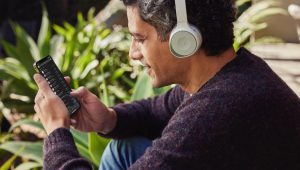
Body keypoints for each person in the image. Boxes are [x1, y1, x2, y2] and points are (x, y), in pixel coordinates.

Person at [33, 0, 300, 169]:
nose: (133, 53)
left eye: (139, 38)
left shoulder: (216, 113)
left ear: (183, 38)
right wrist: (109, 119)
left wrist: (57, 131)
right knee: (123, 148)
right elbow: (155, 110)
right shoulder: (230, 75)